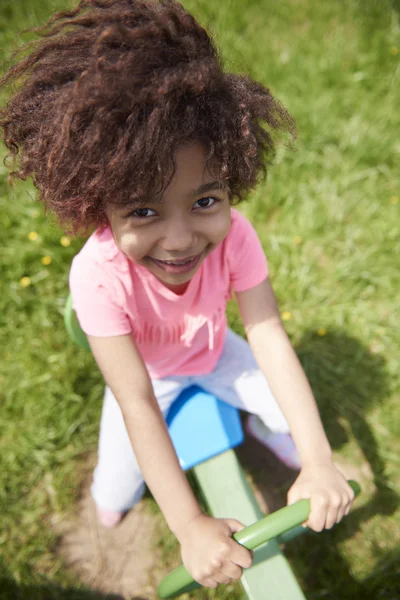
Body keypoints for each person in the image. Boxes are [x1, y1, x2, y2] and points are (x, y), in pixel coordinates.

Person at [0, 0, 355, 589]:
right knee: (116, 486)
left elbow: (266, 334)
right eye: (143, 210)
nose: (181, 237)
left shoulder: (236, 237)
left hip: (219, 353)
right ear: (97, 206)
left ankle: (274, 436)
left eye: (205, 200)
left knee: (287, 415)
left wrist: (318, 459)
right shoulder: (98, 276)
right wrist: (188, 523)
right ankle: (111, 497)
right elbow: (136, 400)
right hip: (152, 381)